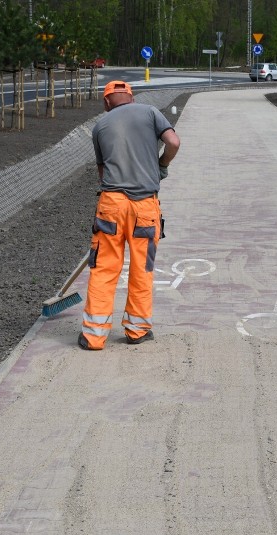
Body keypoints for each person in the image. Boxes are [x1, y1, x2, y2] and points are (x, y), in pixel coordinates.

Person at [78, 81, 180, 350]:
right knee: (141, 269)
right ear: (132, 98)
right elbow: (173, 142)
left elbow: (102, 174)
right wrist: (161, 165)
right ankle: (137, 331)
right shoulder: (150, 113)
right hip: (145, 206)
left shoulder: (100, 127)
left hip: (111, 204)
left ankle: (93, 337)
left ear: (106, 102)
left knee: (103, 268)